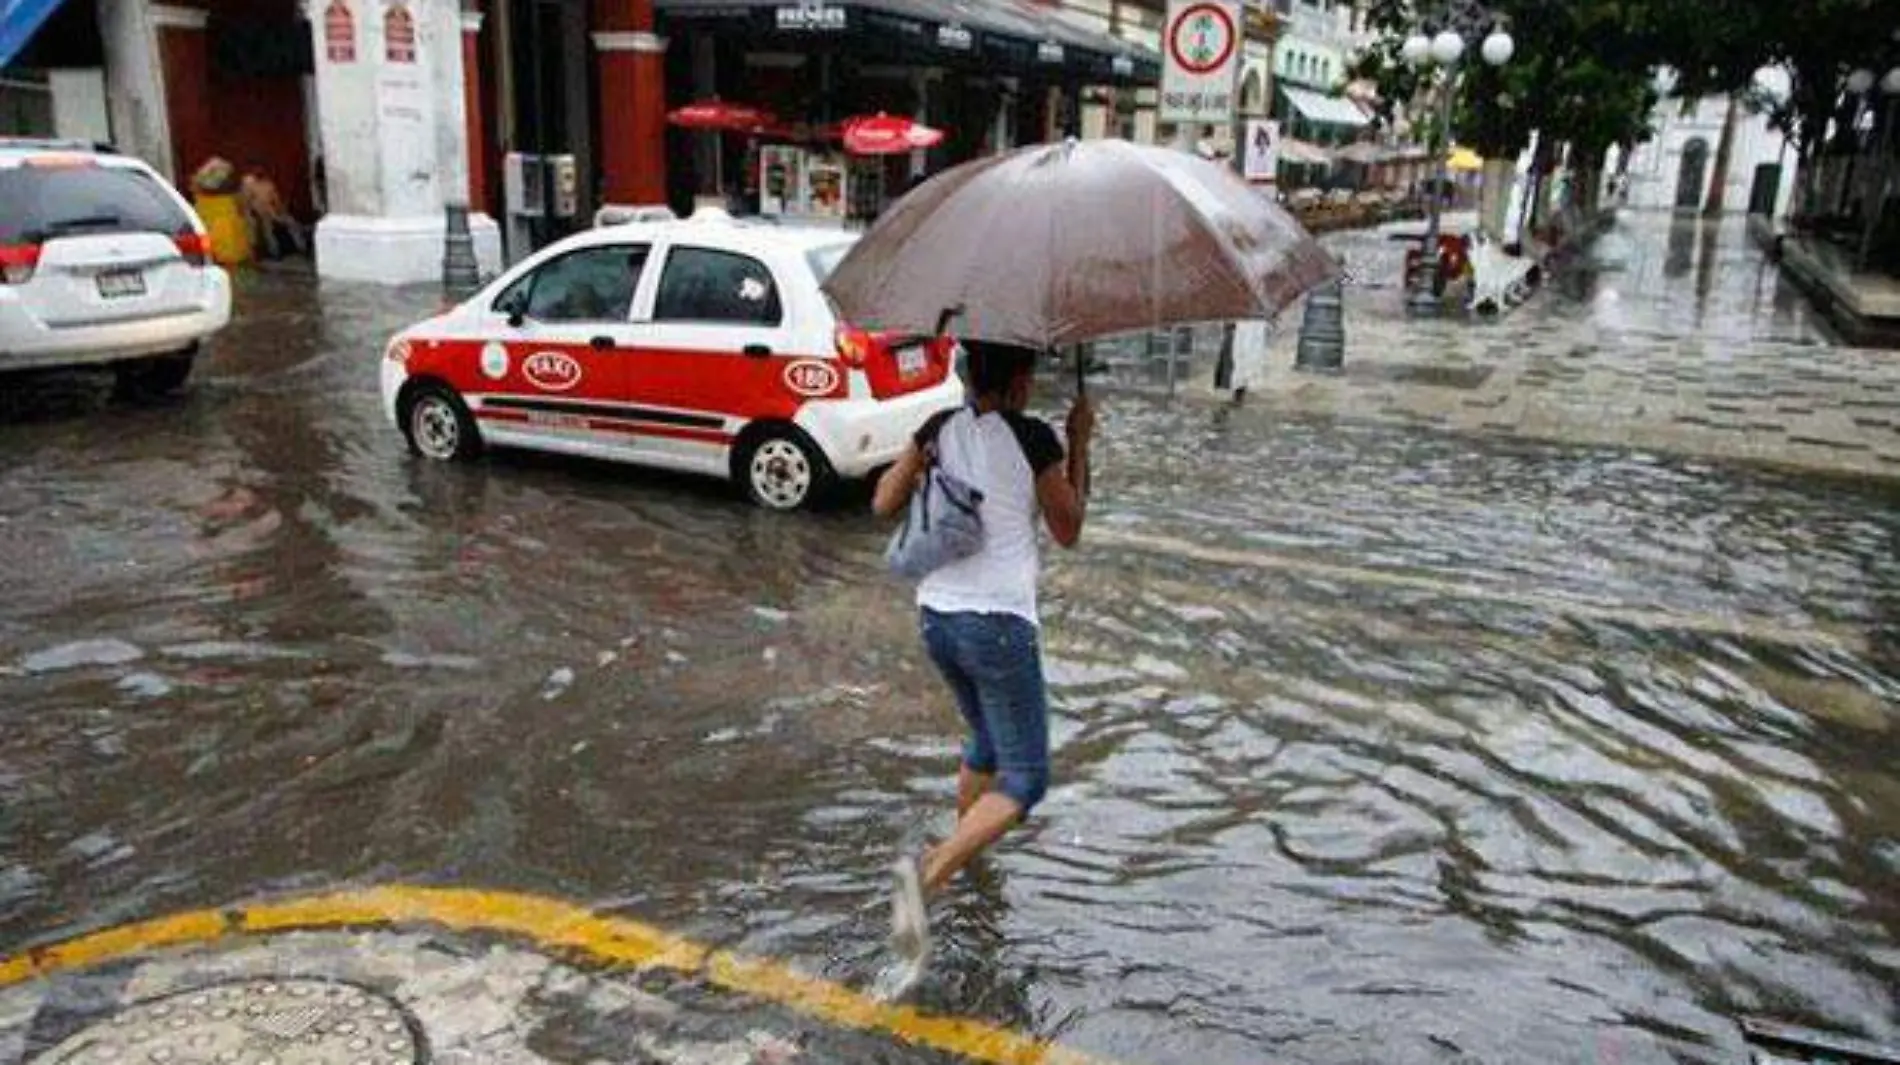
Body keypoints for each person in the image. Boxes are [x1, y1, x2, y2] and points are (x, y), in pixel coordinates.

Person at [871, 341, 1096, 966]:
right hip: (998, 622)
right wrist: (1080, 442)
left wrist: (924, 468)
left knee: (985, 743)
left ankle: (969, 854)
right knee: (1027, 777)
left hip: (937, 617)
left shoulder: (937, 427)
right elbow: (1069, 527)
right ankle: (934, 869)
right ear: (1021, 379)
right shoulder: (1034, 438)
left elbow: (882, 503)